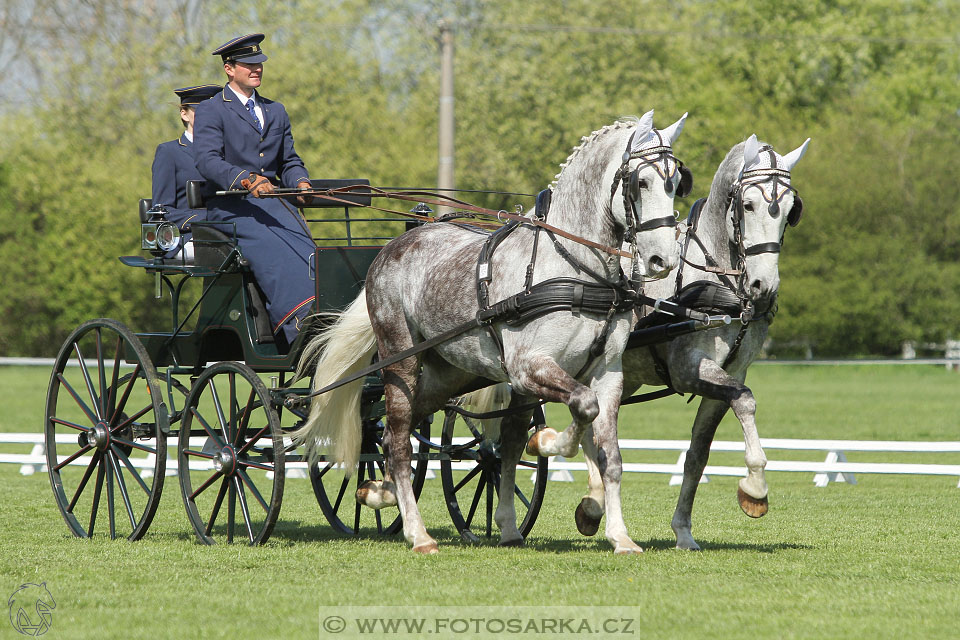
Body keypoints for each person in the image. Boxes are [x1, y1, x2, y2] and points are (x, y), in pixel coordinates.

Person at [193, 33, 316, 346]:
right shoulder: (211, 110)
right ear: (229, 68)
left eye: (259, 63)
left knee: (314, 255)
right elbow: (207, 161)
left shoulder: (276, 111)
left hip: (274, 206)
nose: (257, 68)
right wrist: (246, 179)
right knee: (280, 257)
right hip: (232, 208)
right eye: (249, 64)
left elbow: (289, 161)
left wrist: (300, 181)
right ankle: (297, 330)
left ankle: (322, 318)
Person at [151, 84, 221, 256]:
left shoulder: (227, 152)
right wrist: (206, 220)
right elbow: (162, 209)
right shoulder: (169, 152)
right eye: (201, 112)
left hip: (229, 230)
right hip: (189, 236)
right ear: (184, 114)